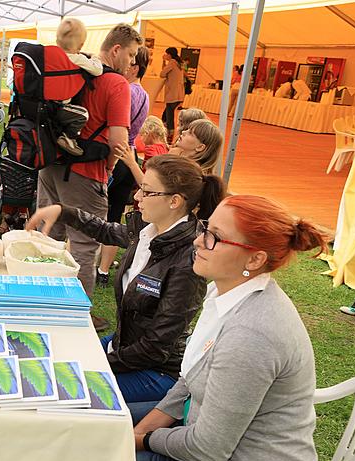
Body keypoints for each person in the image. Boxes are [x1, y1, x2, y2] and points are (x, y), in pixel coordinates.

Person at [134, 194, 327, 461]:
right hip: (213, 446)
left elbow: (209, 448)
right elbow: (190, 377)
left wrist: (145, 440)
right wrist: (139, 431)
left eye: (215, 238)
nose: (198, 241)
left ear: (254, 260)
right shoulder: (226, 293)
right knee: (108, 424)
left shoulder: (250, 333)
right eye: (205, 229)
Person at [28, 155, 225, 405]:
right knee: (55, 361)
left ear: (174, 201)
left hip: (157, 370)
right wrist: (62, 210)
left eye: (146, 191)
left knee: (60, 387)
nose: (137, 197)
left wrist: (101, 361)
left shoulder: (187, 262)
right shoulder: (148, 232)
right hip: (124, 348)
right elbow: (105, 230)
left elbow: (156, 347)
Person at [36, 23, 141, 329]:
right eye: (131, 55)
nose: (133, 63)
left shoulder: (70, 69)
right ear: (117, 49)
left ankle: (40, 297)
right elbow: (118, 140)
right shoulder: (116, 84)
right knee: (84, 244)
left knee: (49, 236)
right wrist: (107, 169)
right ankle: (76, 312)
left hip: (51, 164)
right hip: (86, 171)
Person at [97, 45, 150, 287]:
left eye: (129, 59)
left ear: (135, 67)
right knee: (115, 214)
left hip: (116, 156)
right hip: (131, 157)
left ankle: (89, 262)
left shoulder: (125, 90)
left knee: (96, 212)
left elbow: (115, 127)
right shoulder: (145, 95)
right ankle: (104, 270)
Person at [53, 18, 104, 156]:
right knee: (82, 114)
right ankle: (68, 137)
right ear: (81, 45)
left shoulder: (51, 56)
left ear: (57, 41)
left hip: (43, 103)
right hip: (60, 107)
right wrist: (94, 56)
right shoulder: (77, 58)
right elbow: (98, 70)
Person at [160, 47, 185, 143]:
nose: (165, 55)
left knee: (169, 117)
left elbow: (162, 74)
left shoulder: (172, 63)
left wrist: (163, 61)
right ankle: (165, 133)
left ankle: (169, 138)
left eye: (166, 54)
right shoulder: (178, 63)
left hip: (172, 95)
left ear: (169, 54)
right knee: (165, 116)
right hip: (178, 95)